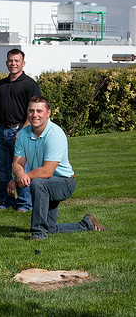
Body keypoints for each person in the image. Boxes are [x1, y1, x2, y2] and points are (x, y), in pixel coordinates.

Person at [7, 96, 107, 240]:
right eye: (31, 111)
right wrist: (19, 176)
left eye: (39, 111)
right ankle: (87, 224)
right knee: (51, 228)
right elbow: (17, 164)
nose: (35, 115)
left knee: (38, 183)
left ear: (48, 113)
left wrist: (19, 180)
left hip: (64, 182)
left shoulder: (55, 134)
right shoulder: (23, 134)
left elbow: (47, 171)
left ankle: (38, 233)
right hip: (44, 183)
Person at [0, 49, 40, 212]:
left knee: (22, 170)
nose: (13, 63)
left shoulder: (30, 84)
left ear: (23, 63)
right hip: (1, 132)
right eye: (10, 60)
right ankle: (5, 202)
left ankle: (24, 203)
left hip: (20, 131)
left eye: (17, 61)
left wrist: (22, 131)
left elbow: (33, 111)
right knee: (2, 169)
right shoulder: (0, 85)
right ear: (6, 63)